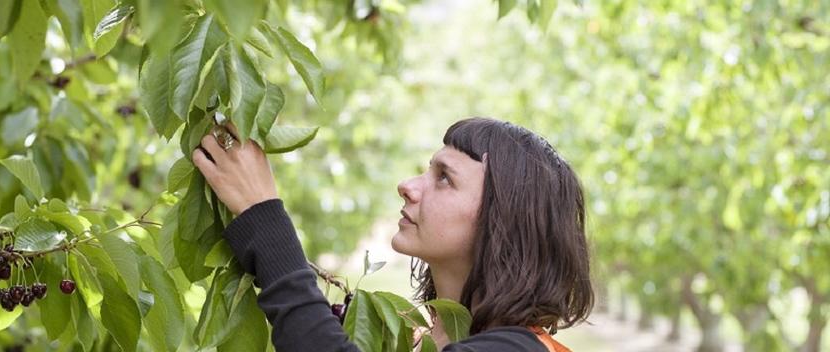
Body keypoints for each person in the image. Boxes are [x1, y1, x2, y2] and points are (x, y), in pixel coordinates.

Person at [191, 117, 594, 352]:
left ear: (502, 219)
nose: (408, 185)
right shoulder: (417, 339)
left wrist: (265, 219)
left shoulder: (518, 350)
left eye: (444, 178)